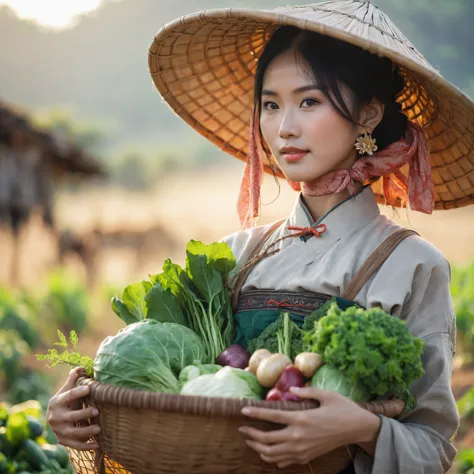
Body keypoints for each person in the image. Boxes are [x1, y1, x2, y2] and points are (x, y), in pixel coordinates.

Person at [47, 1, 474, 472]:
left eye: (309, 102)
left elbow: (431, 450)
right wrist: (89, 408)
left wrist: (362, 429)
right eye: (271, 105)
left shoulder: (411, 265)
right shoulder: (236, 255)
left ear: (369, 115)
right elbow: (173, 392)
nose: (284, 128)